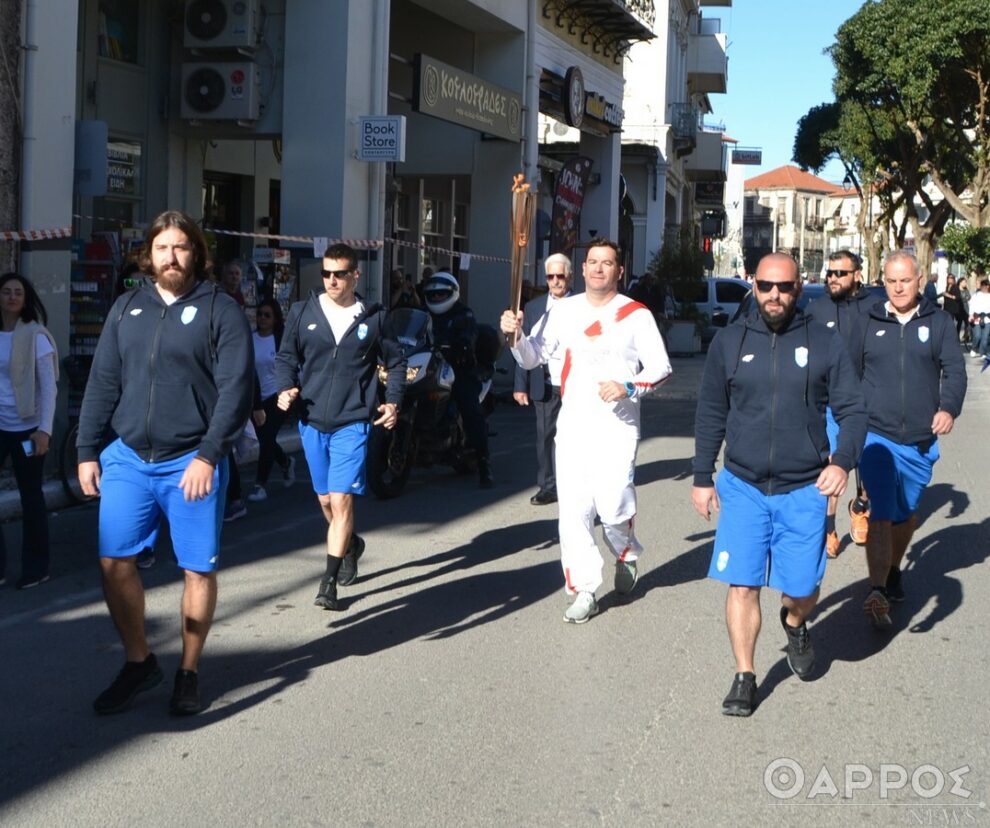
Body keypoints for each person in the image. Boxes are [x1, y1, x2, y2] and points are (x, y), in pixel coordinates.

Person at [77, 210, 254, 715]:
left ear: (196, 253)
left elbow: (235, 391)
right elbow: (103, 382)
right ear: (147, 255)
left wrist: (208, 456)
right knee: (114, 562)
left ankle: (189, 672)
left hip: (191, 461)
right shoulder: (127, 307)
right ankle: (140, 663)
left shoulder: (222, 310)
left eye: (180, 248)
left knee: (196, 570)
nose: (171, 257)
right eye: (161, 248)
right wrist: (87, 450)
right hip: (129, 457)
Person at [692, 253, 867, 717]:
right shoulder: (729, 342)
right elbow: (711, 411)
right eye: (767, 286)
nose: (775, 295)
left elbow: (852, 410)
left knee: (803, 587)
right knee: (742, 583)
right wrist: (701, 477)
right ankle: (745, 676)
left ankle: (794, 623)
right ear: (753, 285)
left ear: (797, 287)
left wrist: (843, 461)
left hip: (804, 488)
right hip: (744, 485)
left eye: (785, 287)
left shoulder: (824, 341)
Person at [500, 238, 672, 624]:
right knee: (574, 513)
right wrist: (514, 336)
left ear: (619, 271)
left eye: (606, 263)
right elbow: (532, 356)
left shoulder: (636, 314)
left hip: (618, 427)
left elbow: (661, 367)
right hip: (574, 427)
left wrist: (628, 387)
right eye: (592, 262)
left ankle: (625, 551)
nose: (597, 268)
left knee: (612, 508)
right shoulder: (564, 312)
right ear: (582, 269)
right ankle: (584, 589)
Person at [275, 242, 405, 611]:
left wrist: (393, 402)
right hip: (312, 419)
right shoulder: (303, 313)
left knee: (341, 498)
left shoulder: (374, 318)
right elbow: (287, 357)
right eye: (327, 273)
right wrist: (286, 388)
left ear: (355, 276)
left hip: (353, 420)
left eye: (340, 274)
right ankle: (351, 543)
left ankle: (328, 582)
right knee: (324, 500)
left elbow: (395, 363)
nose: (332, 280)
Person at [854, 250, 966, 629]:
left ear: (920, 280)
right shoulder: (868, 321)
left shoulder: (939, 322)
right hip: (875, 435)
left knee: (905, 513)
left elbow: (954, 371)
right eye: (891, 280)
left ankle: (893, 569)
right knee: (882, 508)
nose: (899, 287)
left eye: (906, 279)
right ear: (882, 281)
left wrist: (948, 408)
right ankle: (877, 590)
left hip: (920, 439)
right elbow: (847, 374)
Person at [805, 249, 878, 555]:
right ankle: (829, 529)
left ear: (857, 275)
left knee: (871, 465)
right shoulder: (816, 309)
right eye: (830, 273)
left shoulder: (875, 306)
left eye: (840, 273)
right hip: (833, 403)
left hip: (871, 399)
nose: (833, 278)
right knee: (835, 464)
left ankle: (861, 506)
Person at [0, 273, 58, 589]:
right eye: (6, 292)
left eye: (17, 293)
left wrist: (44, 431)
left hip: (27, 428)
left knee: (30, 498)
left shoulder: (35, 336)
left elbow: (49, 389)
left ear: (25, 299)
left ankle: (36, 568)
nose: (11, 297)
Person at [512, 253, 574, 505]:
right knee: (545, 436)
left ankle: (573, 483)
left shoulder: (583, 305)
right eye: (551, 276)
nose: (556, 281)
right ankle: (548, 485)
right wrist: (520, 385)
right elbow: (524, 346)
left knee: (574, 437)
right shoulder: (534, 307)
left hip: (574, 384)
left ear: (570, 276)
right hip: (545, 382)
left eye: (560, 276)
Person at [423, 269, 494, 488]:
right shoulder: (422, 313)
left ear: (452, 293)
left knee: (469, 408)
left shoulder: (464, 314)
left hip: (459, 369)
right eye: (433, 295)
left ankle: (484, 464)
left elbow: (469, 335)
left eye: (441, 294)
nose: (436, 298)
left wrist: (462, 344)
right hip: (429, 366)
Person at [245, 298, 296, 503]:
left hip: (277, 396)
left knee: (266, 438)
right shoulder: (250, 338)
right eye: (260, 314)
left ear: (275, 319)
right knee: (265, 438)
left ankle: (260, 485)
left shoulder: (280, 340)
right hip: (255, 398)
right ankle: (285, 462)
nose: (262, 318)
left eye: (267, 315)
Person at [968, 278, 990, 358]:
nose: (983, 287)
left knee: (985, 337)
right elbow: (971, 305)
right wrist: (970, 315)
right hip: (977, 317)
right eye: (982, 286)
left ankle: (982, 352)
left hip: (987, 318)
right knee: (977, 335)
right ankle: (973, 348)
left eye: (985, 286)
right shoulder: (976, 295)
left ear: (987, 286)